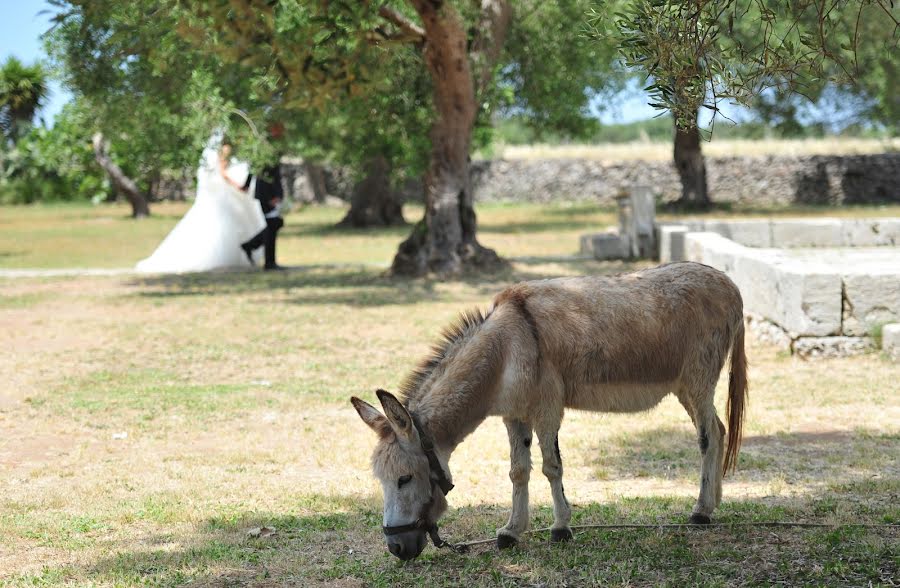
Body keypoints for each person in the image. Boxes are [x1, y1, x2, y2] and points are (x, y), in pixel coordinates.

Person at [135, 134, 266, 273]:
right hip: (225, 194)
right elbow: (223, 173)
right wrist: (238, 186)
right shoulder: (225, 149)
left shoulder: (217, 151)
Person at [234, 123, 286, 271]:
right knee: (273, 224)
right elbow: (267, 173)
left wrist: (247, 185)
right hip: (267, 193)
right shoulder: (267, 147)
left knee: (274, 224)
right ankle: (266, 259)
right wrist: (275, 194)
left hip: (267, 192)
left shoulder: (268, 146)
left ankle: (252, 247)